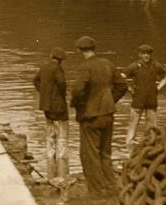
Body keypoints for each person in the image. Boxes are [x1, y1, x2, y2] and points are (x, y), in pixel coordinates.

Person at [70, 36, 128, 196]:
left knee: (89, 155)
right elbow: (123, 85)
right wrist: (110, 100)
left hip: (91, 117)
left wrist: (79, 105)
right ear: (94, 49)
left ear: (80, 51)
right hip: (108, 114)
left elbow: (77, 91)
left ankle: (97, 191)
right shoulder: (108, 64)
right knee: (105, 153)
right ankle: (111, 187)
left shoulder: (85, 67)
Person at [33, 47, 69, 181]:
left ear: (51, 57)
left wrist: (43, 93)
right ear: (61, 61)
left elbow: (35, 81)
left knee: (50, 131)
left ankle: (50, 159)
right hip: (58, 105)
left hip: (46, 106)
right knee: (61, 132)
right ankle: (61, 162)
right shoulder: (58, 69)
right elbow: (62, 84)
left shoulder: (44, 68)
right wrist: (60, 95)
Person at [124, 44, 166, 148]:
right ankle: (129, 146)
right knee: (133, 124)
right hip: (138, 98)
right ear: (139, 54)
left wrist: (158, 88)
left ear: (151, 54)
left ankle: (149, 145)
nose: (146, 56)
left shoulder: (156, 65)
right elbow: (121, 77)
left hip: (151, 99)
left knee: (151, 126)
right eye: (143, 53)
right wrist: (130, 89)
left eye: (148, 53)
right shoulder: (134, 66)